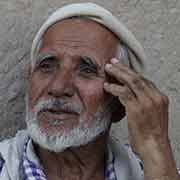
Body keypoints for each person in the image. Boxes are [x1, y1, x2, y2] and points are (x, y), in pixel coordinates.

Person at [0, 3, 179, 180]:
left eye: (87, 70)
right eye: (46, 66)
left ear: (119, 103)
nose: (58, 87)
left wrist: (155, 146)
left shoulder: (154, 171)